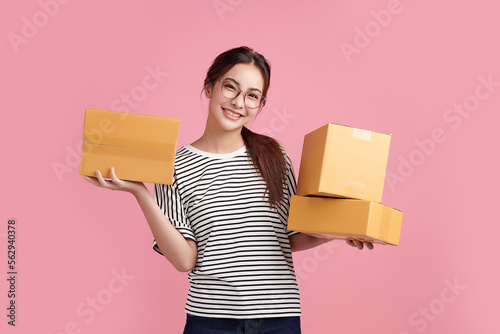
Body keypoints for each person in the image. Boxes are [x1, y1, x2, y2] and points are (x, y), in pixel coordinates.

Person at [84, 46, 373, 334]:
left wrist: (340, 232)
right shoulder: (172, 168)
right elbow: (185, 260)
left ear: (259, 105)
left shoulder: (274, 156)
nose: (238, 102)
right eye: (230, 87)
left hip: (279, 319)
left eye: (252, 96)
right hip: (210, 321)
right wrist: (140, 192)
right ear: (209, 87)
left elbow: (289, 238)